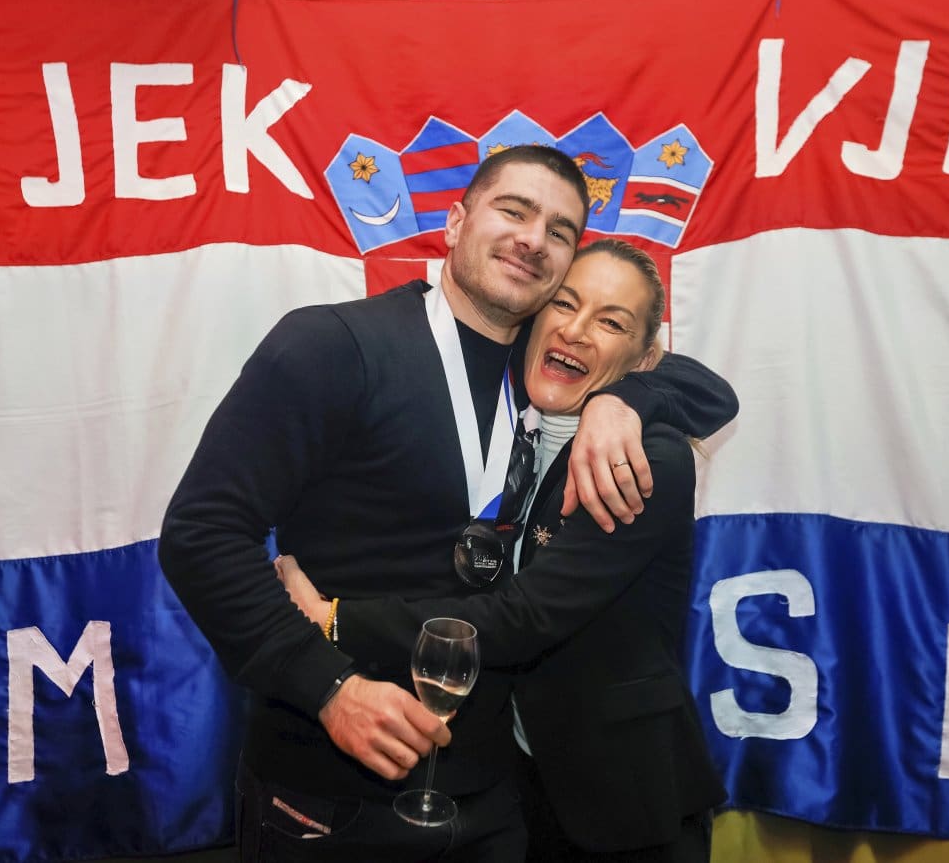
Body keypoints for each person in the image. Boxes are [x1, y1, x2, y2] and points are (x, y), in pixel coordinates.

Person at [158, 146, 737, 862]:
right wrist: (329, 686)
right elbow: (201, 533)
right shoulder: (331, 345)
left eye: (559, 231)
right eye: (513, 210)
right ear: (456, 222)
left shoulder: (550, 371)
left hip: (496, 799)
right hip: (332, 790)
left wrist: (627, 399)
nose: (533, 238)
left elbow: (699, 384)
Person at [278, 239, 727, 862]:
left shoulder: (645, 459)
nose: (576, 330)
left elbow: (523, 618)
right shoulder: (514, 408)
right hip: (518, 784)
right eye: (564, 303)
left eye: (611, 322)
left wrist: (332, 618)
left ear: (645, 357)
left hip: (621, 797)